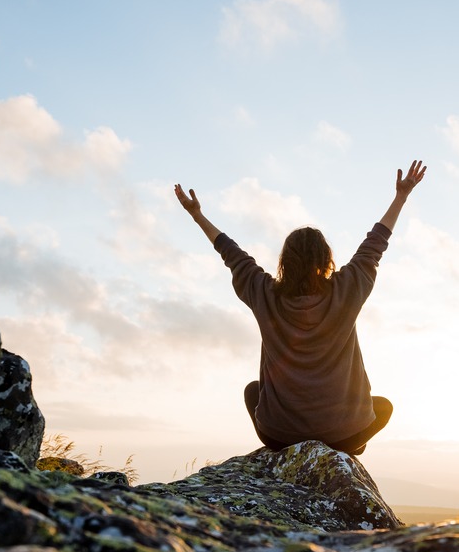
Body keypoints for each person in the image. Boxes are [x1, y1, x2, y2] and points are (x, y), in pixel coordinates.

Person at [174, 160, 426, 456]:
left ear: (285, 261)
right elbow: (374, 245)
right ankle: (344, 449)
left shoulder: (264, 294)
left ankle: (295, 451)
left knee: (252, 392)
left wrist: (197, 216)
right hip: (344, 434)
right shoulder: (347, 290)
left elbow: (232, 255)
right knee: (382, 407)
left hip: (279, 436)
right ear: (325, 260)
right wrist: (401, 197)